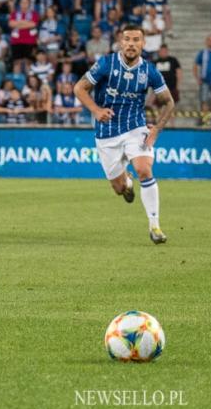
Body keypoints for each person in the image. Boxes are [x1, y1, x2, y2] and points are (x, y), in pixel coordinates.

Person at [74, 24, 175, 245]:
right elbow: (79, 88)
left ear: (143, 43)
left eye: (136, 39)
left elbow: (169, 102)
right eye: (127, 39)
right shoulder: (105, 64)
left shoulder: (150, 71)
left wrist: (156, 129)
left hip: (135, 128)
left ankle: (154, 225)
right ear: (121, 42)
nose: (131, 43)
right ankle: (127, 184)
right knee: (119, 188)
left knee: (144, 169)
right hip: (107, 133)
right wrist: (96, 110)